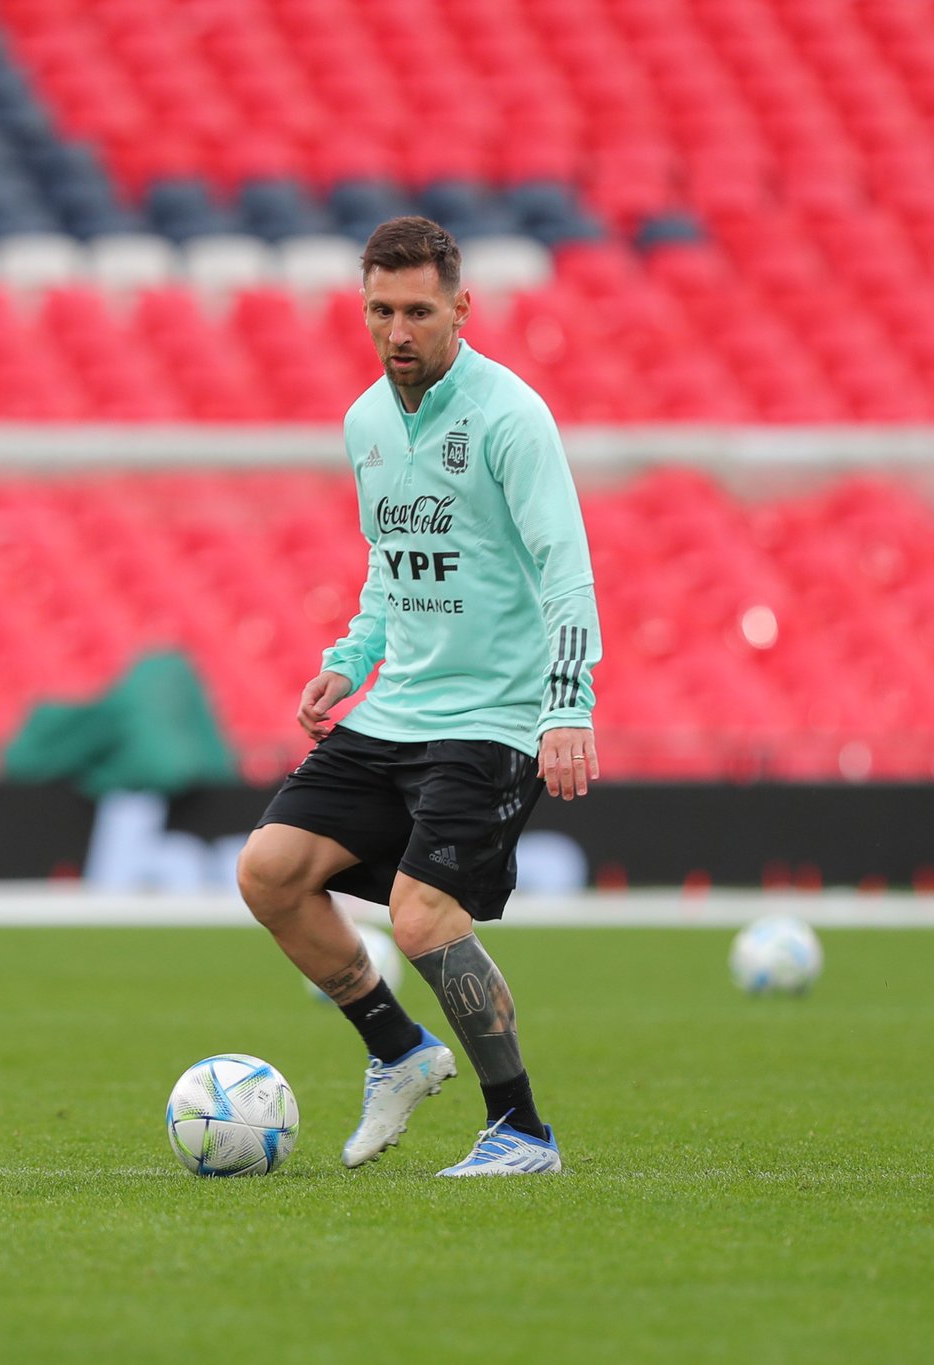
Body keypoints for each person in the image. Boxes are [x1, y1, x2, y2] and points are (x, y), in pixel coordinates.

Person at [233, 216, 600, 1177]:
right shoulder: (364, 423)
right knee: (269, 872)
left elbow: (566, 567)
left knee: (422, 914)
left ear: (461, 309)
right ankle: (398, 1049)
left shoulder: (510, 416)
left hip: (493, 716)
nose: (398, 331)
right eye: (380, 311)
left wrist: (568, 704)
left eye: (418, 312)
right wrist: (350, 660)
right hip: (395, 710)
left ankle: (522, 1131)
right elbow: (388, 568)